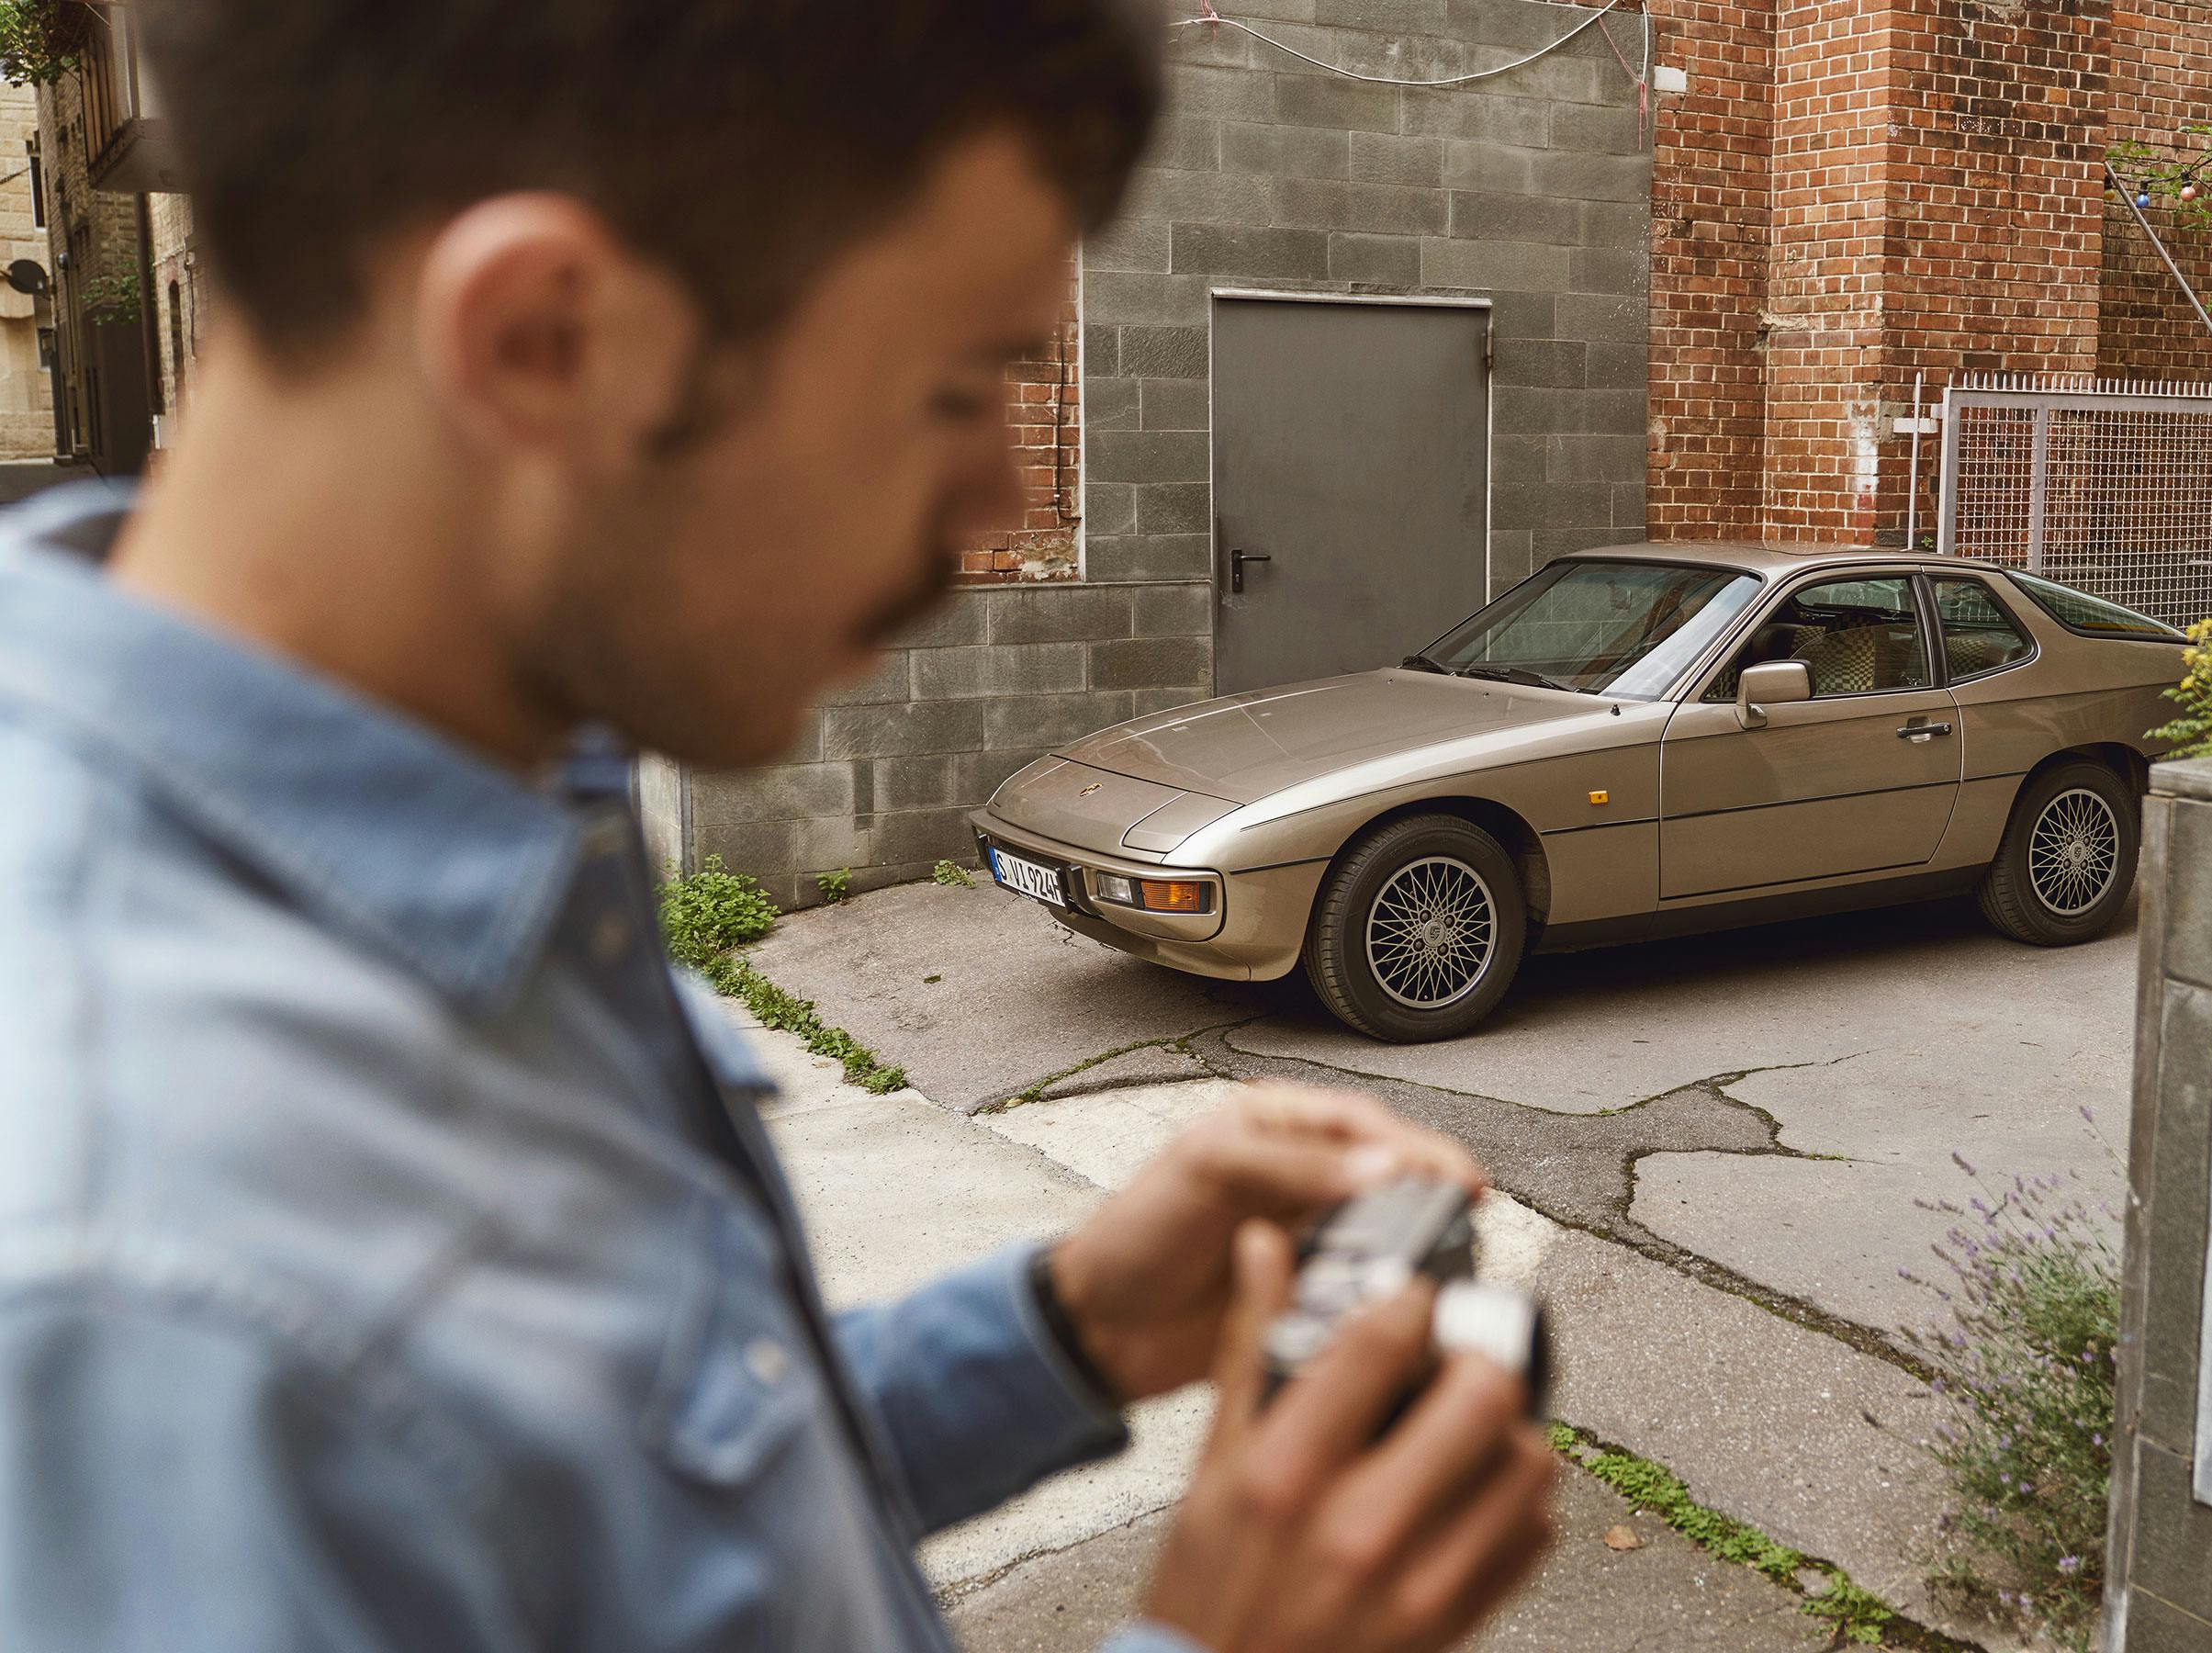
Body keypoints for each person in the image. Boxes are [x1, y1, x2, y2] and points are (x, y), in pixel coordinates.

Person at [0, 3, 1555, 1650]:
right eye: (958, 390)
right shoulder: (146, 1304)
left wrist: (1062, 1332)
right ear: (544, 341)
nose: (1001, 513)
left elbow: (603, 1522)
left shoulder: (487, 806)